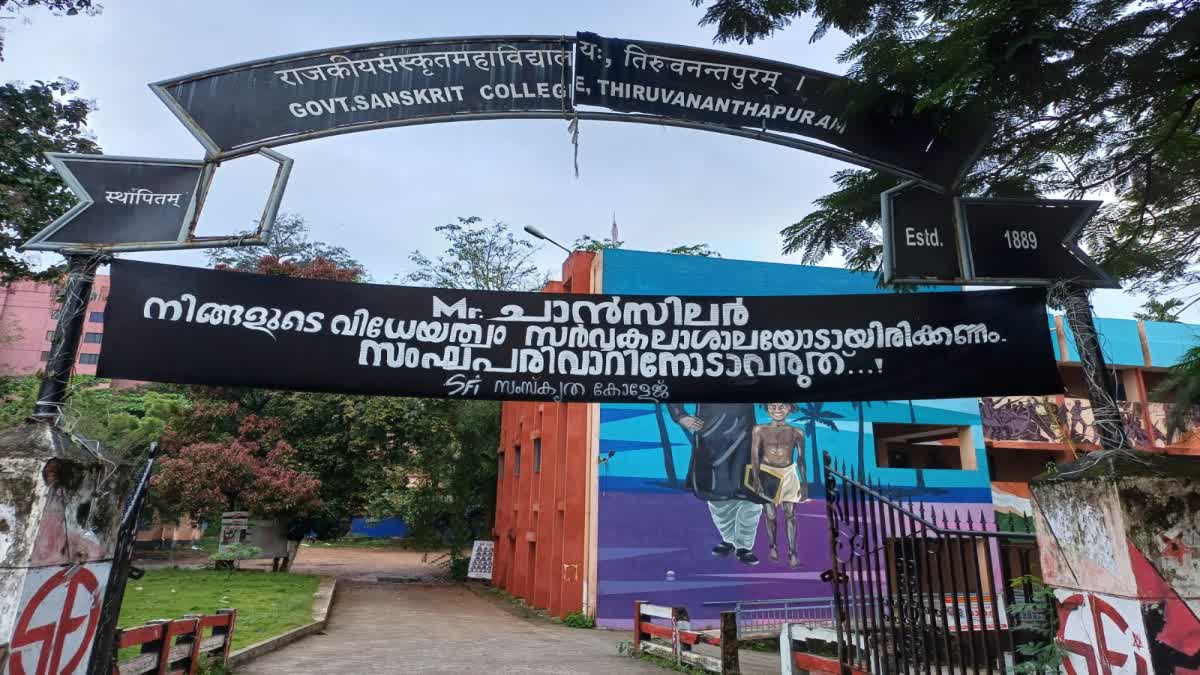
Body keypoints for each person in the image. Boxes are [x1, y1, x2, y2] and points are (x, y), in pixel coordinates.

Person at [667, 402, 762, 565]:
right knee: (716, 496)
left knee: (750, 497)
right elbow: (673, 387)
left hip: (746, 437)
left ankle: (744, 547)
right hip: (711, 439)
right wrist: (680, 416)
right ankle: (729, 541)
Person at [750, 402, 807, 567]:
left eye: (782, 407)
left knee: (790, 515)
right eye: (772, 407)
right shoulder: (759, 430)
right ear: (767, 409)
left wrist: (804, 483)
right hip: (767, 473)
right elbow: (754, 456)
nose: (777, 410)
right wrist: (756, 478)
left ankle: (792, 552)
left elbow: (801, 460)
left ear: (789, 409)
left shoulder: (797, 432)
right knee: (770, 515)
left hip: (789, 473)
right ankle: (773, 546)